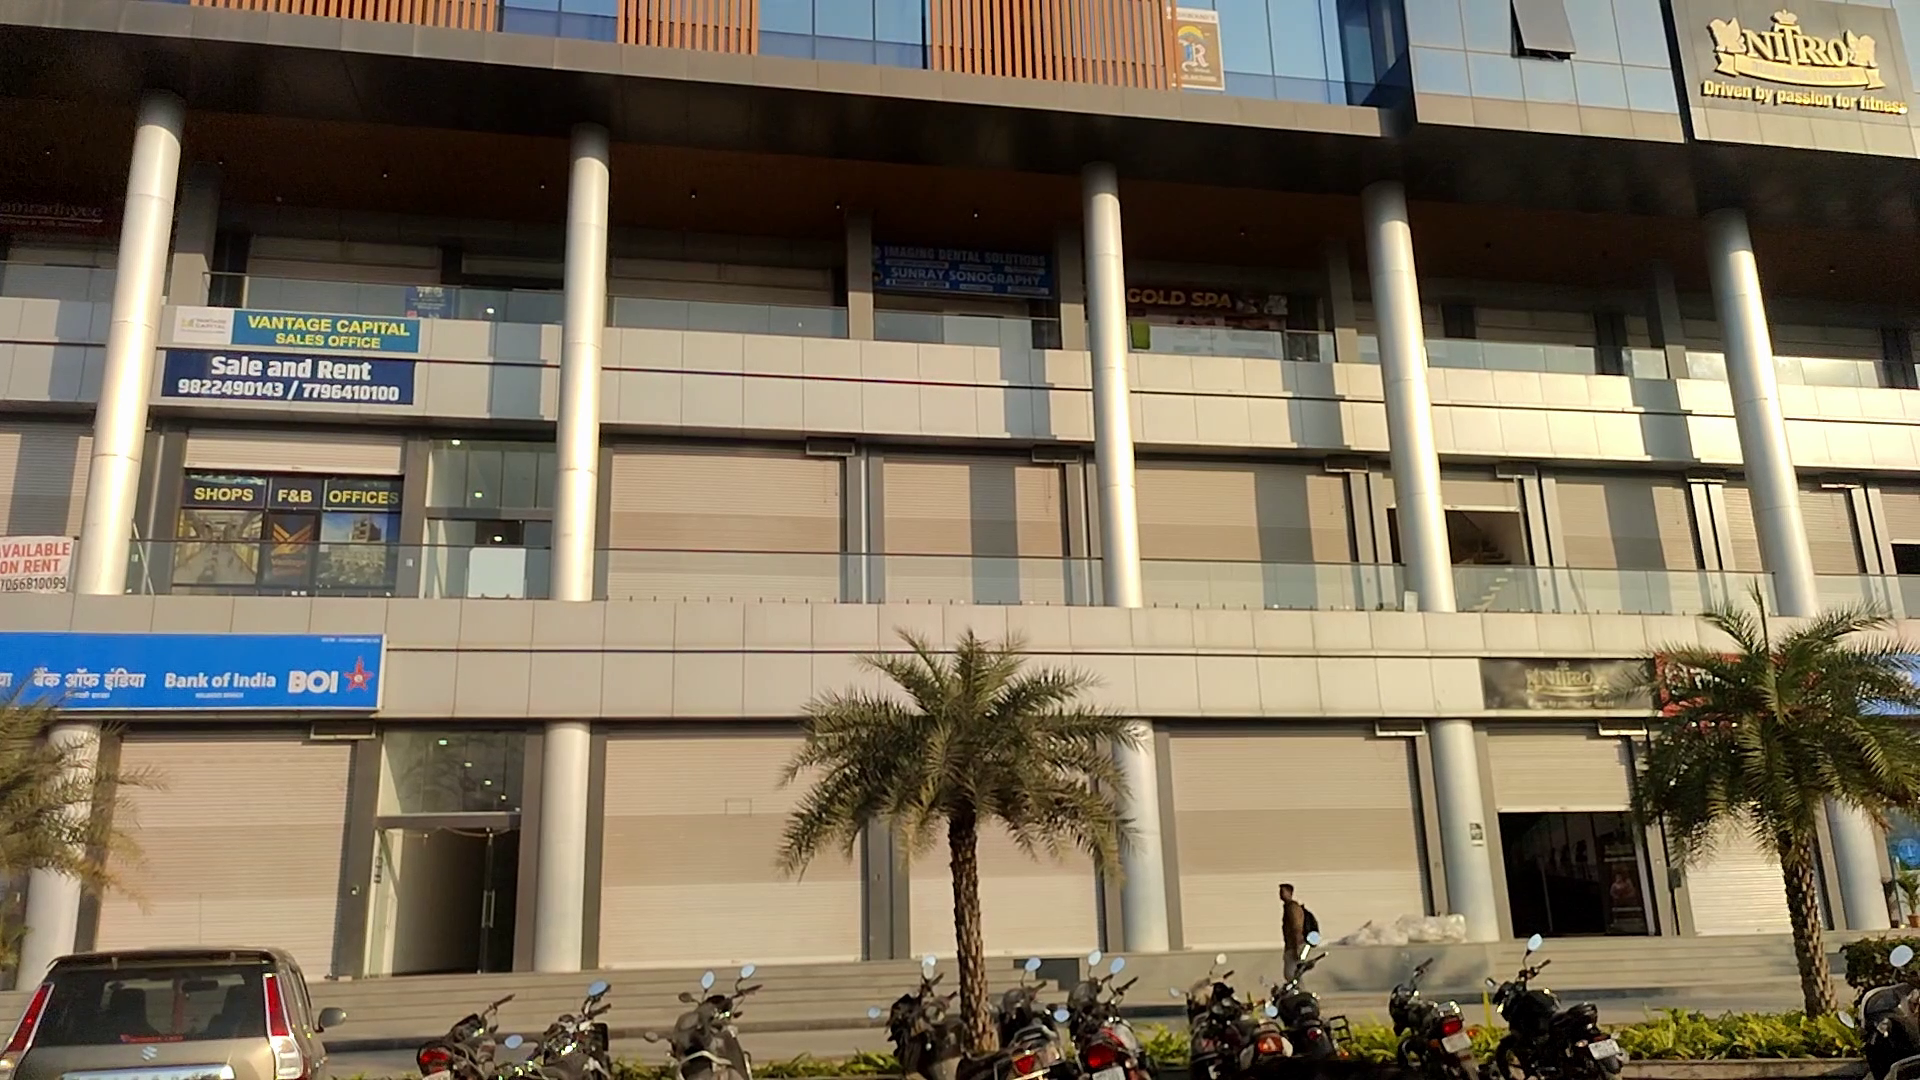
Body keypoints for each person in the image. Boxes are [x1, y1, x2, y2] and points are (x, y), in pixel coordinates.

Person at [1278, 883, 1319, 981]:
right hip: (1296, 946)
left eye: (1283, 891)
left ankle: (1299, 990)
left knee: (1291, 975)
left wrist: (1297, 947)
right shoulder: (1289, 907)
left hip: (1296, 946)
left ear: (1290, 893)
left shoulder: (1292, 908)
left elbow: (1297, 927)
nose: (1280, 894)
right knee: (1294, 974)